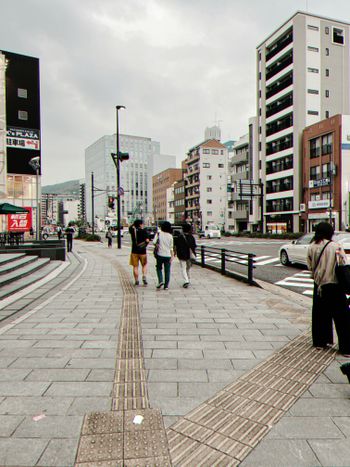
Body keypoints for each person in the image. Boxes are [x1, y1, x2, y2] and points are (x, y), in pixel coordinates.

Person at [307, 221, 350, 357]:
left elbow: (310, 266)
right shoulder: (336, 246)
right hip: (335, 285)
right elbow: (343, 263)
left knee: (320, 314)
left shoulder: (312, 246)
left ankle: (320, 342)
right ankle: (345, 348)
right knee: (342, 317)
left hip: (319, 285)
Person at [174, 223, 197, 288]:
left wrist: (175, 253)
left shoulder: (179, 237)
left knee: (183, 268)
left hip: (182, 255)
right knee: (188, 267)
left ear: (182, 229)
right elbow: (194, 246)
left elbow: (176, 246)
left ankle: (186, 280)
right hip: (189, 255)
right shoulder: (191, 237)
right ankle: (187, 278)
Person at [153, 221, 174, 290]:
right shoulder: (170, 236)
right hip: (168, 255)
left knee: (159, 268)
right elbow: (171, 247)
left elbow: (154, 242)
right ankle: (166, 286)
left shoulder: (159, 234)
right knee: (167, 270)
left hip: (160, 254)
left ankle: (161, 281)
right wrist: (172, 256)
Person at [129, 219, 149, 285]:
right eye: (142, 223)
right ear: (140, 224)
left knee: (135, 266)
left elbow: (130, 227)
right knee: (144, 265)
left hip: (134, 251)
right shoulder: (144, 231)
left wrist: (134, 224)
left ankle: (136, 280)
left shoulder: (132, 231)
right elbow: (147, 240)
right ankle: (144, 276)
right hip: (143, 251)